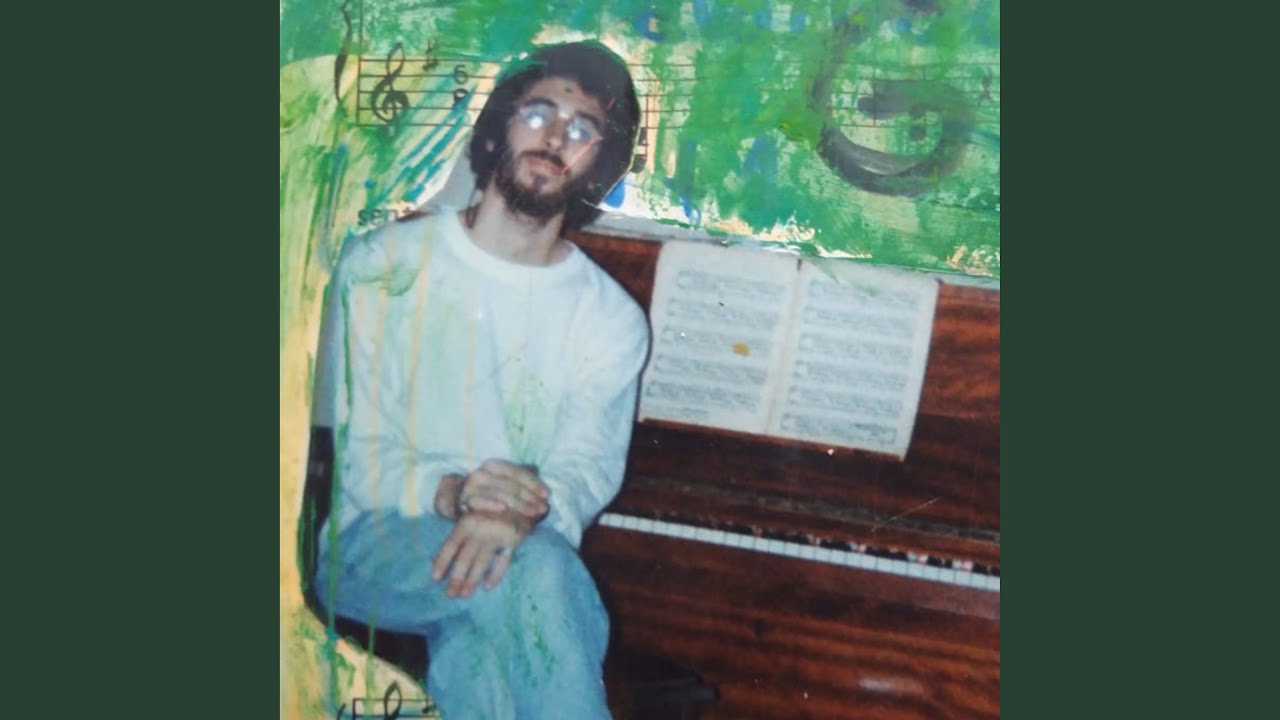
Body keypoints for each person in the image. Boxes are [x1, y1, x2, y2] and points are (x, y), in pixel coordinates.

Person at [310, 40, 648, 720]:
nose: (556, 138)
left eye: (583, 130)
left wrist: (515, 511)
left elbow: (584, 472)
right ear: (498, 127)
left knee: (480, 650)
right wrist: (458, 494)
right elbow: (355, 456)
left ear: (600, 164)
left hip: (517, 545)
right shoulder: (382, 266)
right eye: (539, 114)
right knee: (534, 575)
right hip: (375, 543)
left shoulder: (611, 319)